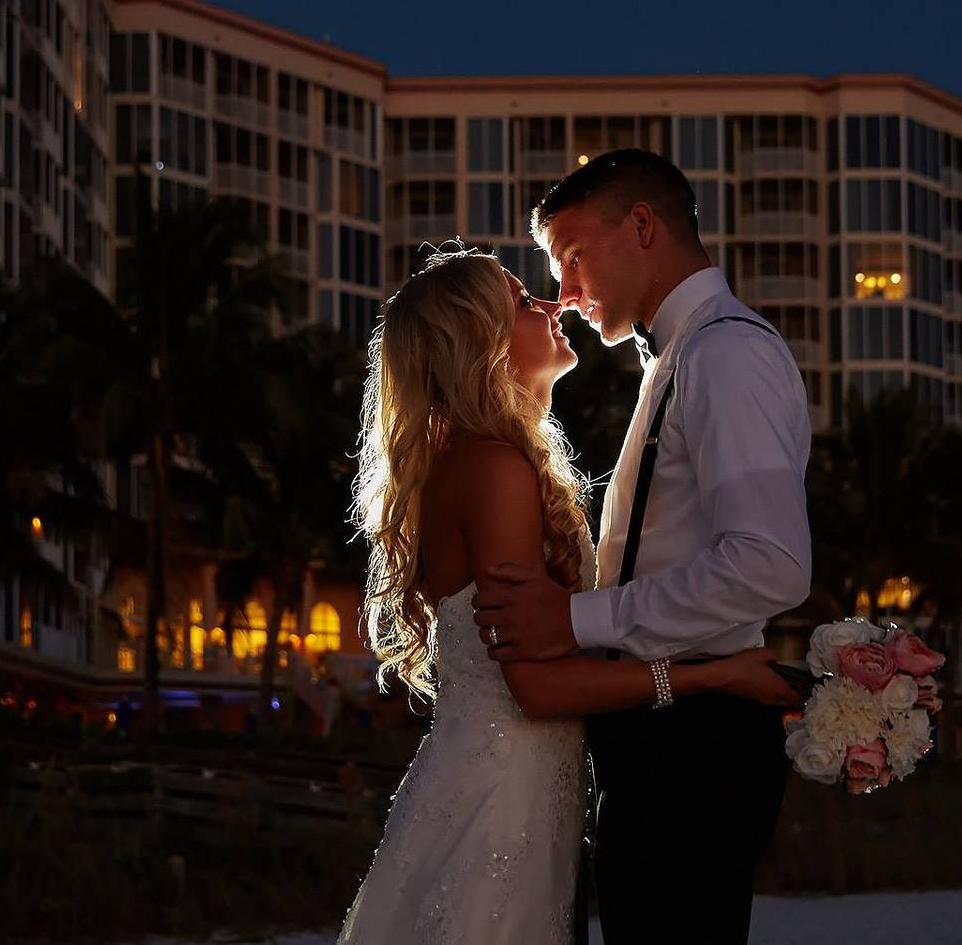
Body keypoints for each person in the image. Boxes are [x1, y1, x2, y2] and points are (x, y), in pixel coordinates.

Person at [336, 246, 787, 944]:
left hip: (506, 794)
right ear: (477, 341)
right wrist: (717, 675)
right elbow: (536, 690)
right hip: (499, 808)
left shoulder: (480, 462)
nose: (551, 304)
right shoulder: (492, 469)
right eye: (521, 302)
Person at [472, 149, 814, 944]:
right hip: (661, 738)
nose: (567, 291)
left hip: (695, 752)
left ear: (642, 226)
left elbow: (772, 561)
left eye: (574, 257)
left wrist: (576, 621)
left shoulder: (726, 353)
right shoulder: (678, 359)